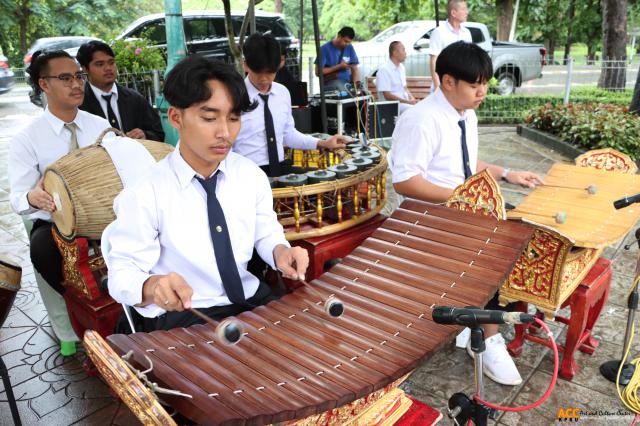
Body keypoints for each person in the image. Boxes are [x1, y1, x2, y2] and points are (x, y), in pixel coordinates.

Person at [106, 56, 309, 332]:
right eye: (209, 118)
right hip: (186, 314)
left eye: (234, 118)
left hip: (248, 301)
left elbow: (265, 232)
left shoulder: (250, 176)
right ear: (176, 117)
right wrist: (152, 286)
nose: (225, 132)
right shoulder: (145, 192)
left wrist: (280, 251)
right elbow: (121, 274)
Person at [390, 41, 543, 386]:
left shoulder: (466, 115)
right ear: (447, 82)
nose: (483, 92)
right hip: (428, 220)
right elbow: (405, 181)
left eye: (485, 84)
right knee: (495, 249)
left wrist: (507, 174)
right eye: (475, 85)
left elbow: (464, 162)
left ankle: (480, 323)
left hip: (462, 209)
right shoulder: (420, 120)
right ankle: (486, 338)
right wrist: (464, 199)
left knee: (525, 230)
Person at [9, 50, 111, 298]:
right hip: (56, 223)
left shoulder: (99, 126)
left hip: (106, 215)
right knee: (42, 249)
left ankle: (136, 308)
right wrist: (33, 197)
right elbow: (17, 198)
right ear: (44, 84)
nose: (76, 84)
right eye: (65, 78)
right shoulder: (27, 139)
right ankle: (85, 307)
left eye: (79, 76)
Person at [234, 33, 349, 178]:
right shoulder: (234, 96)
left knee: (324, 186)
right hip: (246, 173)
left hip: (280, 167)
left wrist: (323, 143)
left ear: (280, 65)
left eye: (270, 72)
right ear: (245, 65)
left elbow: (288, 135)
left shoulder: (282, 93)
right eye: (258, 72)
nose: (264, 79)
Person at [76, 40, 165, 142]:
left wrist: (145, 135)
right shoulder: (79, 103)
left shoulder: (135, 99)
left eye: (111, 62)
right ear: (85, 69)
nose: (108, 68)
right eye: (100, 64)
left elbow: (159, 133)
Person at [428, 0, 472, 91]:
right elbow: (434, 61)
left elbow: (469, 59)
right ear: (453, 13)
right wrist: (438, 88)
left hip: (461, 85)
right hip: (444, 84)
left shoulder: (467, 33)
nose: (467, 12)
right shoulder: (439, 32)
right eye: (463, 9)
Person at [375, 41, 417, 114]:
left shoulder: (401, 67)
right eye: (403, 50)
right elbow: (388, 96)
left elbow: (405, 88)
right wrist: (408, 102)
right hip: (392, 106)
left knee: (422, 108)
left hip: (404, 103)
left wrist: (412, 99)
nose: (405, 53)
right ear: (395, 53)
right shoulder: (384, 70)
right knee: (414, 111)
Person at [315, 26, 361, 92]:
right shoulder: (324, 49)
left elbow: (355, 68)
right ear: (339, 36)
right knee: (343, 89)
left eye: (349, 42)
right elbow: (318, 72)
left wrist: (356, 85)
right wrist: (339, 67)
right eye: (345, 41)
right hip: (330, 82)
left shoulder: (349, 47)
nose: (347, 44)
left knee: (363, 92)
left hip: (347, 82)